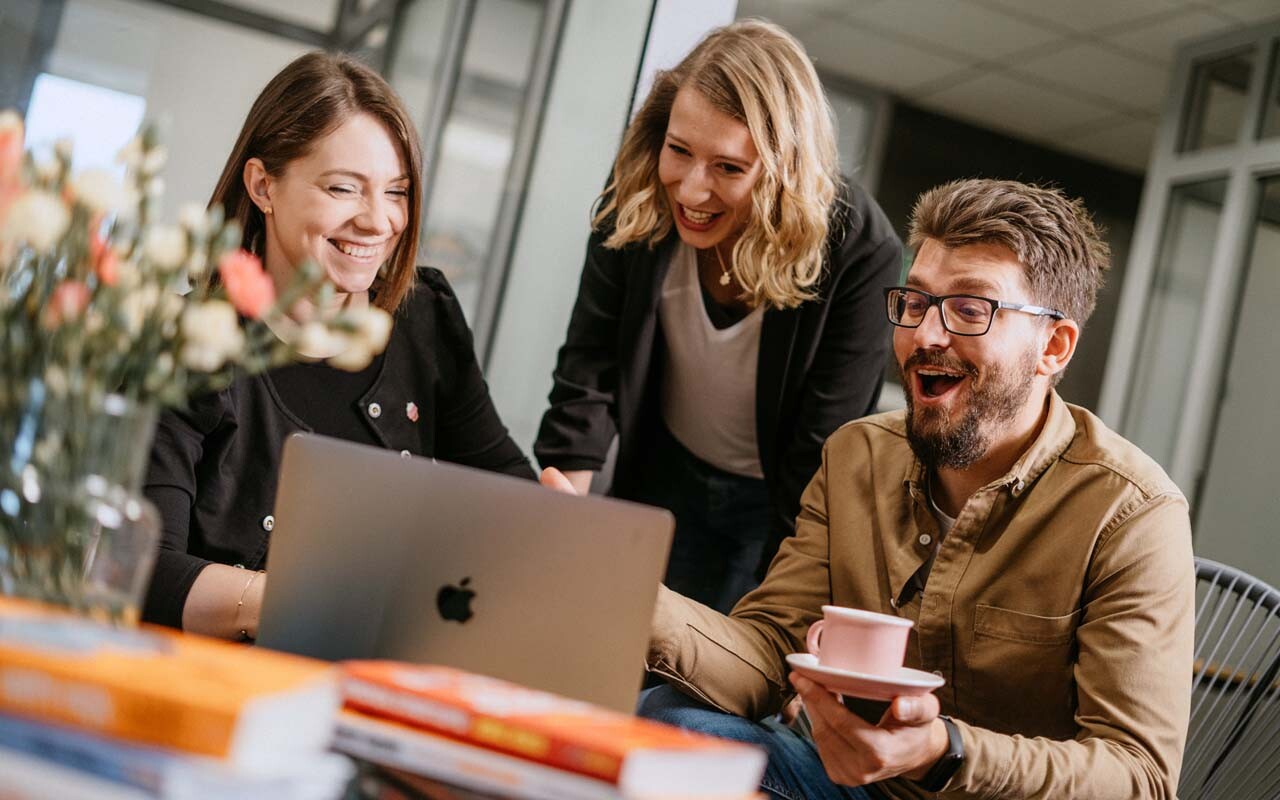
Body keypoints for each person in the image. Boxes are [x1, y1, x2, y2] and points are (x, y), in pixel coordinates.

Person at [639, 179, 1195, 800]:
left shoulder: (1132, 512)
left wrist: (942, 752)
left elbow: (1139, 775)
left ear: (1053, 346)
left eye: (970, 309)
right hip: (850, 782)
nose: (926, 334)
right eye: (916, 301)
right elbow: (771, 653)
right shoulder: (857, 456)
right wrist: (633, 599)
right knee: (668, 719)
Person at [142, 53, 535, 639]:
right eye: (344, 188)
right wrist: (314, 602)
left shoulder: (424, 317)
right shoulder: (187, 342)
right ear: (263, 186)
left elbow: (505, 488)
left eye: (397, 192)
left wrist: (548, 523)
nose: (378, 221)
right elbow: (146, 569)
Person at [534, 20, 901, 613]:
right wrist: (561, 511)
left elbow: (822, 454)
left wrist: (779, 612)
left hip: (772, 506)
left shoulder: (859, 250)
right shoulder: (639, 189)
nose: (691, 191)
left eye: (728, 168)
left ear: (784, 172)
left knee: (712, 664)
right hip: (659, 470)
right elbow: (590, 363)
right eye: (679, 151)